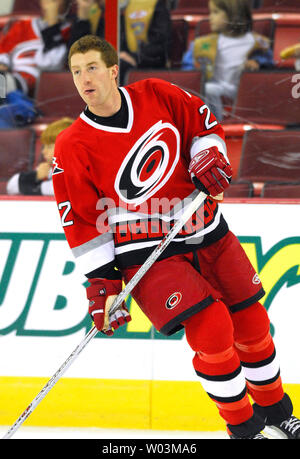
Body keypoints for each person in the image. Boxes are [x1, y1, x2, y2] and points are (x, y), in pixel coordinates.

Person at [52, 35, 300, 439]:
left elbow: (204, 126)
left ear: (114, 70)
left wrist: (207, 155)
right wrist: (102, 283)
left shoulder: (158, 94)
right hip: (148, 253)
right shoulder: (71, 145)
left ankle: (276, 412)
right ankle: (244, 427)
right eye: (76, 71)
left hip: (207, 230)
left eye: (92, 67)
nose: (84, 78)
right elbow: (79, 220)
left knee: (253, 324)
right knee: (213, 329)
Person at [181, 0, 274, 120]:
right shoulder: (202, 44)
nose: (210, 17)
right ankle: (214, 124)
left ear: (233, 14)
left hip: (244, 91)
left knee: (209, 89)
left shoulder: (258, 43)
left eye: (216, 12)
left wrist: (257, 64)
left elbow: (269, 70)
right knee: (209, 89)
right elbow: (188, 72)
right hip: (215, 88)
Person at [68, 0, 171, 85]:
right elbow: (75, 54)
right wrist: (83, 19)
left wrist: (135, 57)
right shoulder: (93, 13)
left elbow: (161, 45)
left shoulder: (151, 5)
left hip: (142, 66)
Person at [0, 0, 72, 97]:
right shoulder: (23, 25)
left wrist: (53, 24)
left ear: (67, 3)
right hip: (9, 77)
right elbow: (3, 54)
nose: (50, 2)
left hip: (34, 85)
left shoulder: (70, 32)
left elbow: (51, 63)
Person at [6, 117, 73, 196]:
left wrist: (36, 184)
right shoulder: (50, 169)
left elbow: (58, 189)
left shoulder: (79, 172)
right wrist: (36, 176)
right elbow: (12, 186)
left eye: (49, 147)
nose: (43, 151)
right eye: (44, 147)